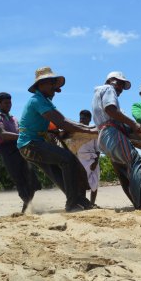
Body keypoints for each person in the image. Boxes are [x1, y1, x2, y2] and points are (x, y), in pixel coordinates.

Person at [17, 67, 97, 212]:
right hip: (30, 144)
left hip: (30, 145)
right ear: (40, 85)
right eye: (51, 83)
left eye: (55, 83)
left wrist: (89, 128)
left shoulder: (44, 101)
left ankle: (79, 200)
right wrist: (89, 130)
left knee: (57, 172)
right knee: (68, 159)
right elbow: (62, 122)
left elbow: (61, 122)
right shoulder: (37, 101)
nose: (54, 87)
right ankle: (72, 203)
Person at [92, 71, 141, 209]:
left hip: (103, 137)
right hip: (111, 133)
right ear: (111, 81)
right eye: (120, 84)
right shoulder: (109, 89)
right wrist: (133, 124)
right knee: (136, 162)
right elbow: (111, 110)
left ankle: (137, 204)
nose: (121, 88)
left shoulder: (97, 95)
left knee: (122, 170)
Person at [0, 92, 41, 213]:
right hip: (7, 150)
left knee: (31, 178)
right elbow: (3, 135)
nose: (9, 105)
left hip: (20, 147)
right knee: (19, 179)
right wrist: (23, 136)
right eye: (6, 103)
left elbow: (22, 132)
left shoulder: (14, 118)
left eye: (10, 102)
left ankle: (27, 207)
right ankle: (27, 208)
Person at [77, 110, 101, 206]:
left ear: (89, 119)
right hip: (81, 159)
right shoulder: (75, 130)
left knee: (95, 183)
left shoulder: (93, 130)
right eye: (81, 118)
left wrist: (95, 162)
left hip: (92, 159)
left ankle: (92, 203)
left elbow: (97, 149)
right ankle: (84, 203)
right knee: (82, 182)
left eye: (84, 118)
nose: (81, 120)